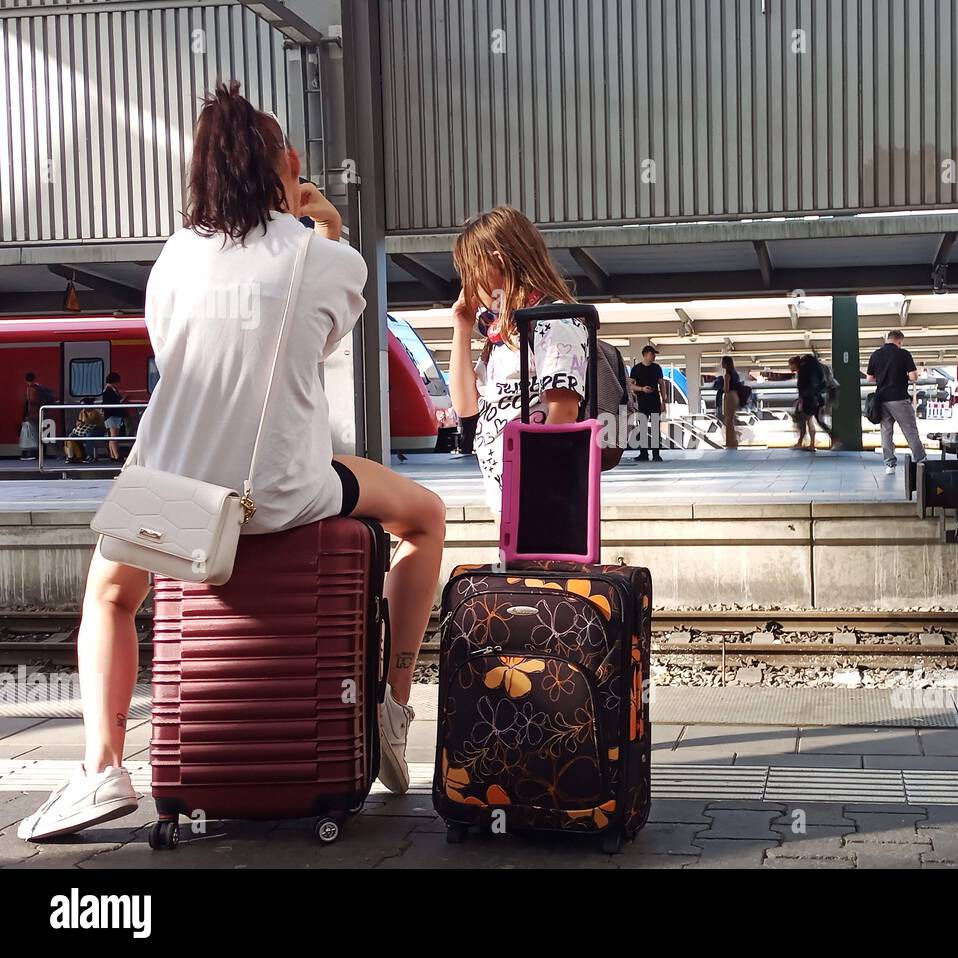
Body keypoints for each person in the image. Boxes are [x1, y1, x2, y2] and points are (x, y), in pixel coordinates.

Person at [18, 82, 447, 842]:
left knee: (111, 598)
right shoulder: (326, 257)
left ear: (201, 173)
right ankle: (391, 703)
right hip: (280, 494)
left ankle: (102, 768)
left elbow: (176, 357)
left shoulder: (173, 258)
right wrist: (328, 225)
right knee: (425, 516)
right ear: (288, 165)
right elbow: (318, 345)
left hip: (172, 492)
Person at [447, 205, 590, 510]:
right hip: (505, 495)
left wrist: (535, 488)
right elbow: (466, 406)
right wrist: (462, 326)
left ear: (497, 260)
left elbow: (563, 412)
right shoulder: (504, 332)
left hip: (539, 498)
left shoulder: (554, 321)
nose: (467, 282)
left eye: (472, 269)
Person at [867, 330, 927, 476]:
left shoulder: (876, 354)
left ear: (888, 339)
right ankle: (921, 461)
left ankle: (890, 465)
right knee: (910, 431)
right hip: (899, 399)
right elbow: (913, 377)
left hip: (882, 400)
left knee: (886, 433)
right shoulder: (903, 354)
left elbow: (869, 378)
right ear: (899, 341)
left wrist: (882, 379)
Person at [628, 345, 667, 462]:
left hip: (655, 401)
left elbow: (662, 383)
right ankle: (643, 453)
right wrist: (642, 389)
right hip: (642, 402)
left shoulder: (657, 368)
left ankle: (656, 454)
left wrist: (664, 400)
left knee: (655, 427)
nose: (654, 356)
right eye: (652, 354)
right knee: (643, 427)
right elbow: (630, 385)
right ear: (645, 354)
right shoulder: (636, 369)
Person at [792, 354, 836, 450]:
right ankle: (808, 443)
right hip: (815, 399)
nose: (790, 367)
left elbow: (805, 387)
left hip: (811, 400)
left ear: (795, 364)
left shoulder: (803, 371)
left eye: (791, 365)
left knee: (808, 421)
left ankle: (808, 443)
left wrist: (802, 399)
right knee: (812, 421)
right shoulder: (808, 370)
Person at [717, 356, 743, 450]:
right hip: (735, 396)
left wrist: (722, 387)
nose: (721, 364)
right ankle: (733, 440)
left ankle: (731, 441)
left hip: (730, 396)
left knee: (728, 420)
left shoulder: (727, 375)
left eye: (722, 362)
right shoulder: (735, 373)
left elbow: (726, 388)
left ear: (726, 363)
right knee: (731, 419)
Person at [100, 371, 127, 462]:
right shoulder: (109, 391)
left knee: (112, 436)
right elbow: (111, 403)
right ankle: (116, 456)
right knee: (114, 436)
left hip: (110, 416)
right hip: (112, 416)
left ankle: (113, 455)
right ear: (114, 381)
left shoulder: (108, 390)